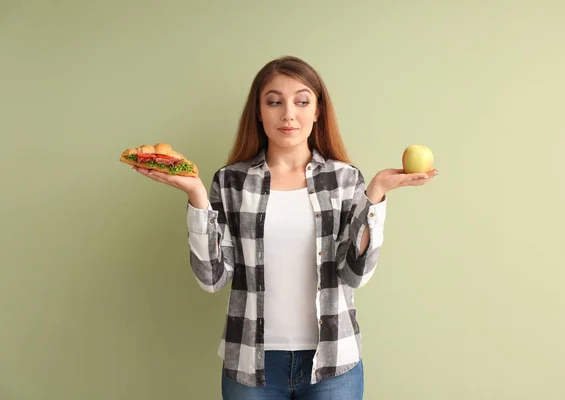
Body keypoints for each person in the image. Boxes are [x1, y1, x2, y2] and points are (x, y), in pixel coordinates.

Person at [133, 55, 438, 399]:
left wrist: (376, 195)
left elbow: (355, 274)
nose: (288, 113)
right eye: (274, 101)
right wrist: (197, 195)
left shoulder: (344, 179)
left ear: (317, 110)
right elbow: (211, 278)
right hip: (250, 364)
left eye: (302, 101)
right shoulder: (231, 181)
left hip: (333, 362)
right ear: (259, 112)